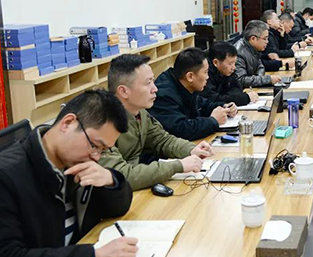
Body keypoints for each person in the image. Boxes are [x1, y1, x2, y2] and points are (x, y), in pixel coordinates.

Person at [0, 90, 137, 257]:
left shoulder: (76, 162)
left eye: (103, 151)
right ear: (68, 123)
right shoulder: (1, 178)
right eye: (95, 145)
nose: (96, 156)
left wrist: (110, 180)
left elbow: (118, 208)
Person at [99, 54, 216, 190]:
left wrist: (191, 149)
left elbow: (162, 140)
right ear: (124, 91)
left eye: (153, 81)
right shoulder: (102, 123)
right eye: (148, 83)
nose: (155, 89)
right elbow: (120, 175)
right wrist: (177, 166)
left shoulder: (139, 112)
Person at [149, 47, 237, 140]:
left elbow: (202, 104)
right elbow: (180, 129)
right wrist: (213, 121)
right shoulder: (164, 95)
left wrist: (224, 107)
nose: (207, 77)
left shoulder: (186, 85)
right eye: (205, 72)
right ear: (190, 76)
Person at [202, 42, 259, 107]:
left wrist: (228, 97)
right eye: (230, 64)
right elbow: (213, 99)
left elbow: (237, 88)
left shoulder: (227, 71)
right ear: (216, 62)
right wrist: (245, 98)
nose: (234, 67)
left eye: (234, 63)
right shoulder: (205, 75)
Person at [234, 20, 283, 88]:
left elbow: (260, 67)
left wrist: (259, 79)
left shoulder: (254, 48)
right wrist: (267, 79)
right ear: (253, 39)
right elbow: (241, 80)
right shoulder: (238, 53)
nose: (267, 42)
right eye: (265, 39)